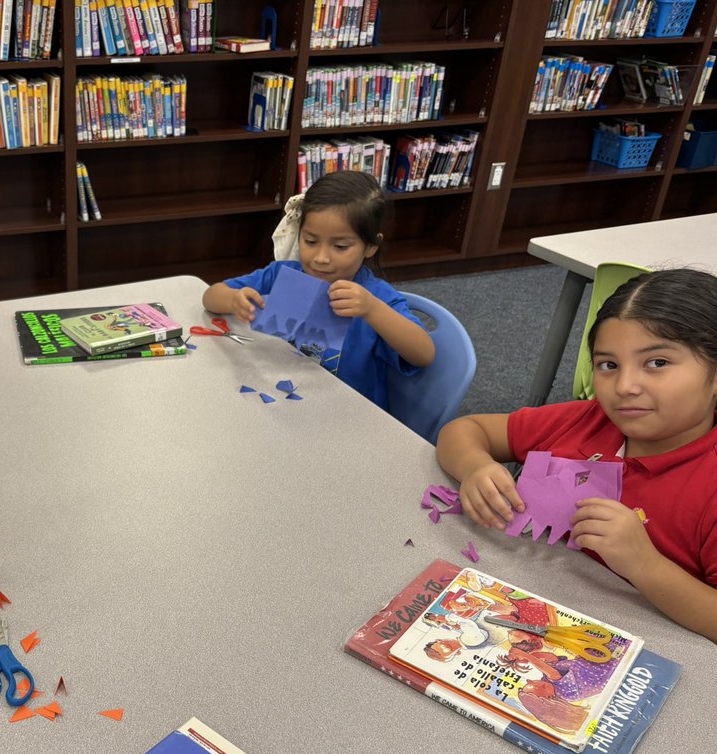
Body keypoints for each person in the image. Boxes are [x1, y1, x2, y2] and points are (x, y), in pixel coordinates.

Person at [436, 268, 717, 642]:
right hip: (518, 608)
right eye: (608, 365)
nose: (625, 386)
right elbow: (465, 430)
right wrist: (476, 466)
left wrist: (646, 566)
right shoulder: (587, 420)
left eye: (657, 363)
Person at [201, 171, 434, 411]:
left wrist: (373, 310)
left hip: (347, 415)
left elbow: (423, 354)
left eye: (340, 246)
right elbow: (210, 297)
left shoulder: (374, 298)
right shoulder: (282, 275)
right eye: (310, 241)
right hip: (282, 399)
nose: (320, 258)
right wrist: (233, 300)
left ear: (371, 246)